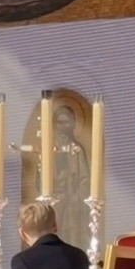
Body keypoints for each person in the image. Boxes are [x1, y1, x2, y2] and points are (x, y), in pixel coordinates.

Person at [52, 105, 91, 249]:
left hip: (73, 203)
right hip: (55, 202)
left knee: (73, 237)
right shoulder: (49, 150)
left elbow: (85, 178)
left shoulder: (77, 150)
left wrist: (77, 195)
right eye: (59, 123)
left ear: (73, 124)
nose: (63, 127)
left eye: (66, 122)